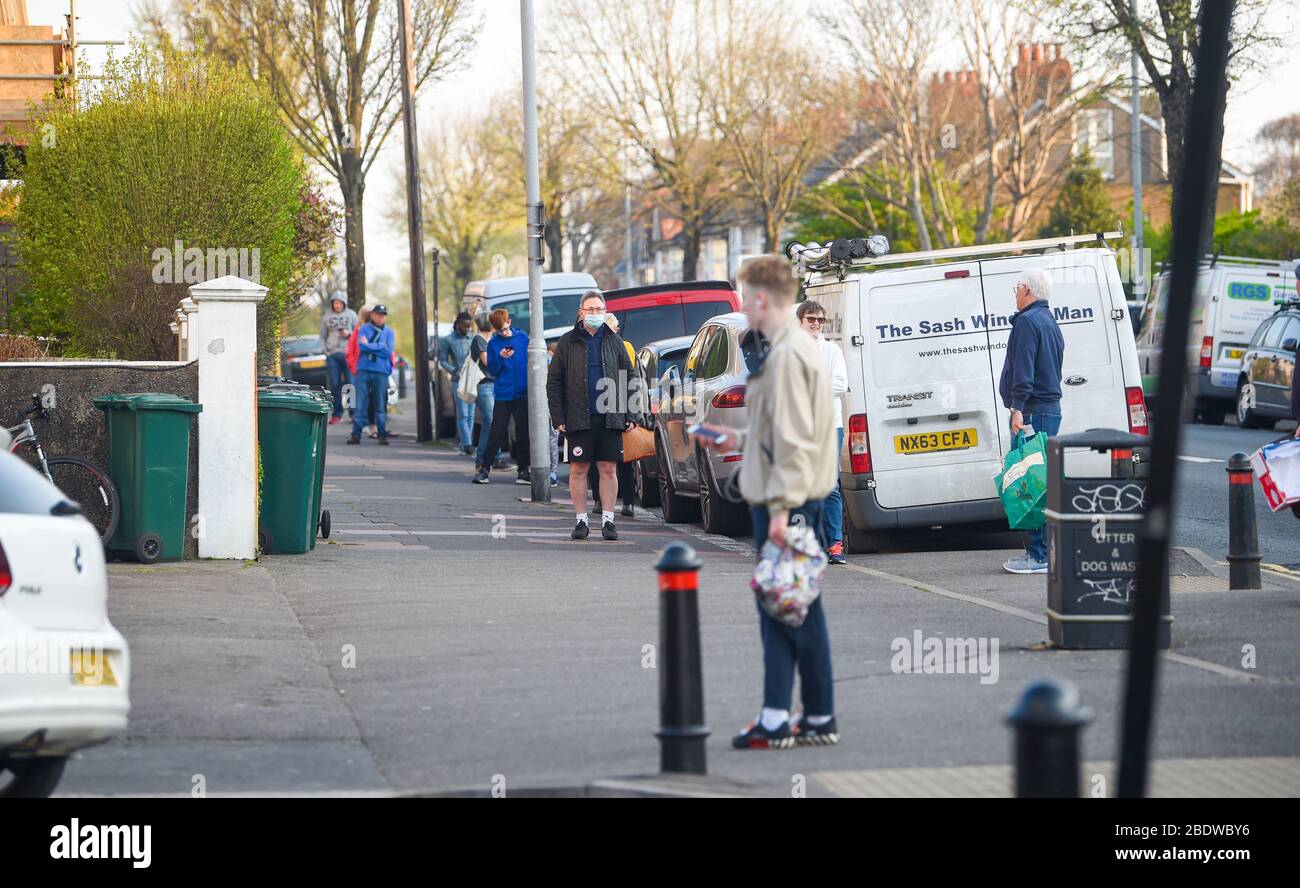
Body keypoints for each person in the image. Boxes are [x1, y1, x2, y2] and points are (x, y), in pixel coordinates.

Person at [697, 256, 838, 750]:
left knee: (778, 608)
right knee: (800, 604)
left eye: (744, 296)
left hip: (787, 501)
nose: (742, 306)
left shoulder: (785, 355)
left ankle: (777, 717)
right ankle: (818, 713)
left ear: (760, 299)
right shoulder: (795, 349)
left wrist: (779, 511)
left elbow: (793, 439)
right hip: (800, 496)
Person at [547, 290, 637, 541]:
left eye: (599, 309)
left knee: (608, 469)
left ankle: (608, 521)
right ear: (580, 313)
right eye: (590, 310)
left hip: (610, 416)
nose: (595, 314)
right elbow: (554, 382)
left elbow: (630, 377)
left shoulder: (615, 341)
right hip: (578, 417)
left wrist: (631, 412)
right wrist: (558, 416)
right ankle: (581, 521)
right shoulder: (567, 341)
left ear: (605, 312)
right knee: (578, 470)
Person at [999, 268, 1064, 574]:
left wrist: (1017, 408)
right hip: (1048, 409)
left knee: (1029, 483)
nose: (1015, 293)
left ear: (1025, 288)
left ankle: (1038, 555)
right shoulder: (1050, 321)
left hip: (1032, 411)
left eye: (1016, 288)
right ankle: (1046, 552)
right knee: (1042, 482)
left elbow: (1023, 369)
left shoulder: (1026, 322)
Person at [797, 300, 848, 565]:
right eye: (810, 319)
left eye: (820, 320)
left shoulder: (832, 351)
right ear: (799, 322)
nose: (816, 323)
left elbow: (840, 384)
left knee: (830, 486)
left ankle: (835, 545)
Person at [588, 312, 640, 517]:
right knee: (624, 459)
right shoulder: (624, 345)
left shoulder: (599, 344)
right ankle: (628, 503)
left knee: (595, 459)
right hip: (618, 406)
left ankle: (600, 501)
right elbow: (633, 376)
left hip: (603, 406)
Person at [473, 309, 531, 485]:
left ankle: (523, 470)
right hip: (503, 394)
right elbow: (492, 370)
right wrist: (500, 357)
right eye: (499, 331)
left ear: (510, 322)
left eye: (505, 329)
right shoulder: (493, 344)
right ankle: (484, 469)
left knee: (523, 432)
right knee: (496, 432)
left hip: (522, 393)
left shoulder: (522, 339)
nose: (503, 333)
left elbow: (531, 361)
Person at [348, 304, 395, 446]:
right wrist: (380, 345)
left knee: (380, 405)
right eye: (378, 314)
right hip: (364, 369)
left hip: (380, 371)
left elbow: (388, 352)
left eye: (383, 314)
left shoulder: (389, 332)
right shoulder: (364, 329)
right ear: (372, 315)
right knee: (360, 403)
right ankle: (355, 434)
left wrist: (371, 346)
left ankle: (382, 434)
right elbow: (361, 346)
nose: (380, 316)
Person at [471, 314, 509, 473]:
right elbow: (488, 362)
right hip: (484, 385)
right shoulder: (479, 340)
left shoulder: (493, 339)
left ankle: (489, 457)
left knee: (492, 423)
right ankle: (486, 457)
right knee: (491, 421)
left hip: (495, 384)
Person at [439, 311, 476, 454]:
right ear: (458, 324)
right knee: (463, 413)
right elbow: (443, 360)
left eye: (469, 326)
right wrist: (454, 370)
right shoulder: (448, 340)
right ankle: (467, 444)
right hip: (458, 380)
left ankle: (467, 443)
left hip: (472, 379)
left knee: (471, 414)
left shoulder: (473, 338)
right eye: (464, 326)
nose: (467, 329)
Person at [320, 292, 357, 426]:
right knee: (334, 385)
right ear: (332, 303)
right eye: (335, 303)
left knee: (350, 384)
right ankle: (337, 414)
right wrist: (326, 351)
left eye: (340, 302)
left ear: (344, 303)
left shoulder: (352, 315)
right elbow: (322, 336)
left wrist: (349, 334)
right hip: (333, 355)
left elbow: (358, 334)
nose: (337, 305)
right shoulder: (326, 317)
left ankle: (353, 413)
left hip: (348, 355)